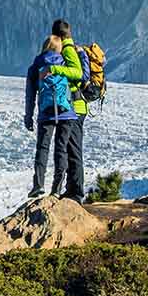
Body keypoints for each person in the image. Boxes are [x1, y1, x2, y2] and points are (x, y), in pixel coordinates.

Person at [24, 34, 77, 199]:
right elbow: (79, 76)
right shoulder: (65, 64)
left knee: (42, 149)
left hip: (46, 113)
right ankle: (57, 189)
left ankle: (38, 185)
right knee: (61, 149)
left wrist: (28, 116)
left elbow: (30, 94)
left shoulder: (36, 66)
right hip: (66, 112)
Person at [46, 18, 88, 202]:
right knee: (70, 150)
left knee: (74, 151)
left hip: (76, 107)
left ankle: (77, 193)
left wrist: (55, 69)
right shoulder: (69, 48)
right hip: (73, 107)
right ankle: (71, 190)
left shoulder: (69, 50)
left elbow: (77, 73)